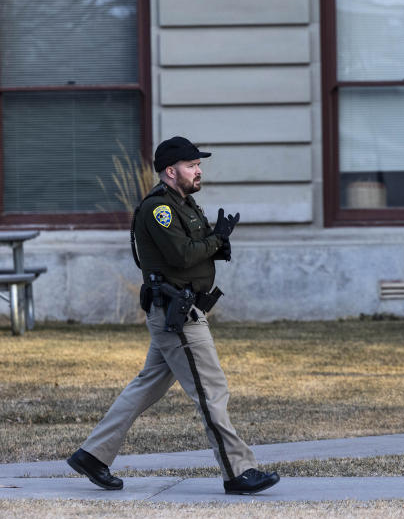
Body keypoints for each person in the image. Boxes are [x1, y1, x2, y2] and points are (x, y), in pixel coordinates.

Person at [67, 136, 280, 495]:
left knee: (146, 386)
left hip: (180, 309)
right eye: (192, 165)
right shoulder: (158, 209)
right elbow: (182, 255)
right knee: (211, 390)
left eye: (199, 166)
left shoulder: (185, 204)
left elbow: (192, 249)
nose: (198, 171)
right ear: (171, 171)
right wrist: (217, 241)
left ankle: (92, 455)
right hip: (177, 315)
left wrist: (216, 241)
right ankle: (238, 471)